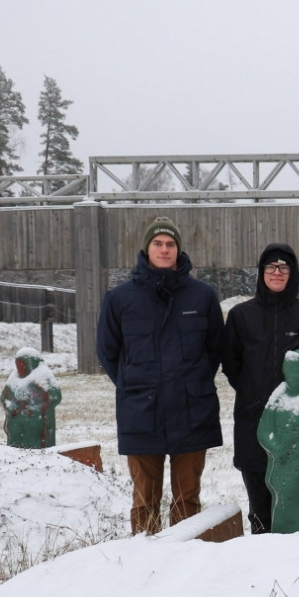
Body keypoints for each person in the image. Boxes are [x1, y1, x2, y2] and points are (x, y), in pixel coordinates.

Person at [96, 217, 225, 534]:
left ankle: (186, 566)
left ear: (179, 250)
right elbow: (107, 352)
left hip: (192, 411)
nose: (164, 249)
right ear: (147, 248)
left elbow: (216, 348)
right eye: (158, 243)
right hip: (141, 412)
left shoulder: (202, 296)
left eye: (170, 244)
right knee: (144, 502)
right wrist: (133, 385)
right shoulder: (120, 299)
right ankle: (144, 566)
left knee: (187, 501)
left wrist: (193, 383)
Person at [219, 244, 299, 534]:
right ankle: (260, 560)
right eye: (271, 267)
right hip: (253, 423)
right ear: (261, 272)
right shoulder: (241, 316)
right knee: (260, 505)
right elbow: (232, 366)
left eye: (284, 267)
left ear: (293, 274)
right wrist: (253, 394)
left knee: (297, 505)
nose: (277, 272)